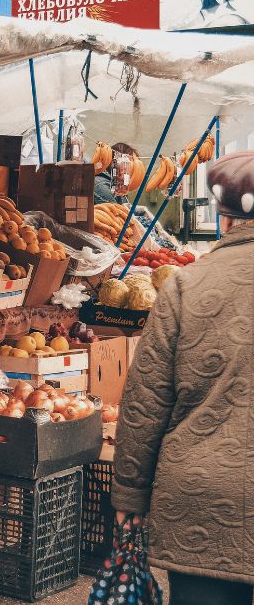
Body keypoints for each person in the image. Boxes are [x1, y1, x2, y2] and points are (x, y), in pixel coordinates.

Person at [112, 151, 254, 604]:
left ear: (224, 217)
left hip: (202, 500)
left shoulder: (186, 286)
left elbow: (145, 401)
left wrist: (130, 495)